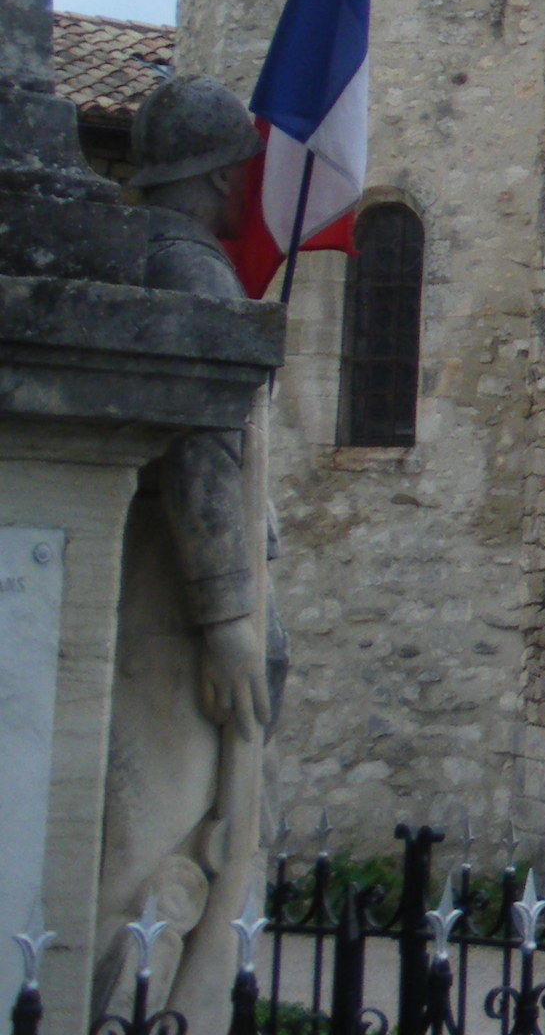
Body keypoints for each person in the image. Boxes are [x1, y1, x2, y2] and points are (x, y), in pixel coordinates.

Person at [94, 77, 284, 1030]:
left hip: (156, 601)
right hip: (178, 618)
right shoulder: (191, 275)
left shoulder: (132, 258)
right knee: (167, 826)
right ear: (217, 178)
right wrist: (231, 620)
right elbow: (204, 459)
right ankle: (136, 1008)